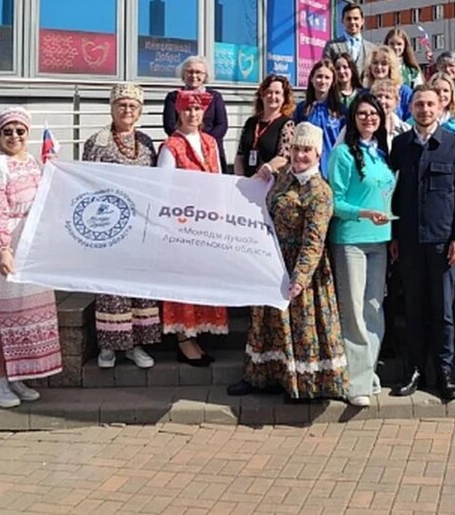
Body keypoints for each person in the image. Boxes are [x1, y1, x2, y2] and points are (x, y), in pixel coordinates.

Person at [227, 123, 348, 401]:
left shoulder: (320, 191)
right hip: (273, 260)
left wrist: (300, 277)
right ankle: (263, 377)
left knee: (301, 324)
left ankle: (305, 384)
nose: (300, 155)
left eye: (306, 150)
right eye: (296, 149)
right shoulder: (284, 178)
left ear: (318, 154)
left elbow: (314, 241)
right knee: (267, 323)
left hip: (301, 268)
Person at [389, 85, 455, 402]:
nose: (424, 110)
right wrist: (394, 235)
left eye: (430, 104)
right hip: (409, 242)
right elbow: (392, 194)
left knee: (442, 311)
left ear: (440, 108)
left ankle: (444, 372)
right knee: (413, 308)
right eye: (419, 104)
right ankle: (413, 370)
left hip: (443, 243)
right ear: (411, 108)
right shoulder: (400, 145)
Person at [0, 107, 61, 408]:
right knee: (4, 313)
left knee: (24, 311)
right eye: (7, 131)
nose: (14, 136)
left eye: (20, 131)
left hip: (30, 244)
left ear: (28, 133)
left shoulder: (33, 163)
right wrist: (2, 248)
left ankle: (16, 376)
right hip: (5, 242)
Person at [82, 84, 160, 370]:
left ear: (140, 111)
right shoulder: (97, 142)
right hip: (110, 224)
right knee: (111, 287)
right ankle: (109, 345)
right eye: (122, 105)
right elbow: (86, 182)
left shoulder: (146, 142)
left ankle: (136, 345)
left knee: (138, 283)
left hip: (140, 224)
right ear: (112, 108)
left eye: (133, 106)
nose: (127, 110)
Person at [327, 93, 396, 407]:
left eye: (374, 113)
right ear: (353, 119)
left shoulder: (381, 153)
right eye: (362, 113)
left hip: (380, 240)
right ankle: (356, 383)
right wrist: (363, 213)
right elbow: (335, 201)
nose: (369, 118)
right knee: (353, 310)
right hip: (351, 239)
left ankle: (367, 371)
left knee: (373, 308)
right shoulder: (342, 154)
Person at [157, 90, 230, 363]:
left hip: (207, 221)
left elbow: (219, 179)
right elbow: (164, 189)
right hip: (182, 223)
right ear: (179, 112)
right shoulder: (171, 146)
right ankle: (183, 337)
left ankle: (197, 332)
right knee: (183, 280)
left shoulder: (210, 141)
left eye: (197, 109)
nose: (192, 114)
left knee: (203, 277)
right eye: (187, 109)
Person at [163, 56, 229, 171]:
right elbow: (170, 125)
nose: (194, 76)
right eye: (190, 71)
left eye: (198, 72)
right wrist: (188, 141)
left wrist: (204, 142)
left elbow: (221, 125)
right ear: (183, 74)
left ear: (205, 75)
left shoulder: (215, 97)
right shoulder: (173, 97)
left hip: (212, 149)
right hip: (182, 150)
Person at [234, 74, 296, 179]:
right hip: (246, 181)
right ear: (262, 95)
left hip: (270, 181)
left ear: (284, 98)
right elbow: (240, 155)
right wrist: (240, 178)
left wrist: (259, 176)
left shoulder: (287, 124)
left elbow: (283, 158)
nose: (272, 96)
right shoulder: (250, 122)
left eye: (277, 93)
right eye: (269, 92)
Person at [295, 59, 345, 177]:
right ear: (311, 79)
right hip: (307, 171)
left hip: (332, 170)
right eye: (319, 76)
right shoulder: (302, 109)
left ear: (333, 81)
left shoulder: (341, 110)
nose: (323, 81)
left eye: (327, 77)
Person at [321, 2, 377, 73]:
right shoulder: (331, 46)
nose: (352, 22)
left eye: (356, 18)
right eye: (348, 19)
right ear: (342, 21)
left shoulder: (372, 49)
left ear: (362, 21)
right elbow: (326, 71)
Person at [365, 45, 412, 120]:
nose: (379, 67)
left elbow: (411, 119)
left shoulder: (404, 92)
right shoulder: (364, 94)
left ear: (391, 67)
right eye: (375, 63)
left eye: (384, 63)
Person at [369, 78, 412, 147]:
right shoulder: (364, 127)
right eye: (379, 96)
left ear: (396, 102)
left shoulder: (405, 130)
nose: (382, 101)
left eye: (387, 97)